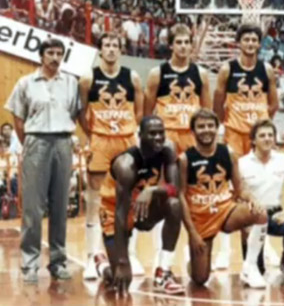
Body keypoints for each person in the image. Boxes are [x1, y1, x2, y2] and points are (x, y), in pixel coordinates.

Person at [5, 38, 80, 283]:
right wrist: (30, 141)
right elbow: (18, 117)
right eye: (50, 52)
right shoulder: (25, 83)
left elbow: (75, 113)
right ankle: (29, 263)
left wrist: (63, 136)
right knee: (33, 207)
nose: (55, 57)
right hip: (36, 141)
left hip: (63, 141)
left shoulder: (71, 82)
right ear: (41, 56)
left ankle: (58, 261)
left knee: (60, 205)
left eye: (59, 53)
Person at [78, 32, 144, 279]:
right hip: (101, 143)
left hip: (126, 142)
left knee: (130, 199)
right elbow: (82, 114)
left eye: (115, 45)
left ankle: (131, 254)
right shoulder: (88, 79)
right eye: (106, 45)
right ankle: (92, 256)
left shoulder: (133, 77)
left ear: (121, 49)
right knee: (95, 201)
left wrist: (125, 130)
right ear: (100, 49)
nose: (111, 49)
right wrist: (95, 134)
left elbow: (139, 112)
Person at [95, 116, 184, 295]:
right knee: (120, 279)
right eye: (152, 133)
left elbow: (175, 189)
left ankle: (163, 272)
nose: (158, 137)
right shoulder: (126, 164)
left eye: (161, 133)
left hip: (142, 206)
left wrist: (151, 191)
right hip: (114, 211)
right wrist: (122, 261)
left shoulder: (168, 149)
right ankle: (104, 266)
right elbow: (120, 212)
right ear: (140, 135)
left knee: (174, 205)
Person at [212, 23, 278, 268]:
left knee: (260, 187)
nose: (250, 43)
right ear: (238, 43)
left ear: (259, 44)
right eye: (246, 39)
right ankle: (224, 250)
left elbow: (273, 104)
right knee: (231, 190)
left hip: (257, 137)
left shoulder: (267, 70)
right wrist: (226, 125)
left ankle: (264, 243)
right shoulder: (227, 69)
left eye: (254, 40)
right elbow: (217, 105)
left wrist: (259, 124)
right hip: (233, 135)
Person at [178, 109, 267, 286]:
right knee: (200, 279)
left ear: (217, 128)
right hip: (201, 219)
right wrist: (192, 233)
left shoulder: (228, 153)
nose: (206, 130)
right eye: (201, 126)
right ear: (193, 131)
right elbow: (180, 196)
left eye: (210, 125)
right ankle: (192, 260)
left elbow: (240, 188)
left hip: (226, 211)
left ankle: (251, 267)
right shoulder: (184, 159)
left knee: (260, 214)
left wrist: (253, 200)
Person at [238, 119, 284, 287]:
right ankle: (250, 268)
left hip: (275, 213)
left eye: (270, 135)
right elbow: (235, 192)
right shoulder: (242, 163)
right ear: (253, 140)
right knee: (257, 271)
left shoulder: (283, 159)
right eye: (262, 135)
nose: (267, 139)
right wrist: (243, 219)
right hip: (252, 215)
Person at [144, 23, 212, 154]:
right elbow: (147, 114)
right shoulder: (157, 73)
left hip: (192, 135)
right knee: (168, 173)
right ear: (171, 45)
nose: (183, 46)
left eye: (187, 42)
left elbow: (207, 112)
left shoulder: (201, 74)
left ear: (191, 45)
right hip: (167, 135)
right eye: (179, 42)